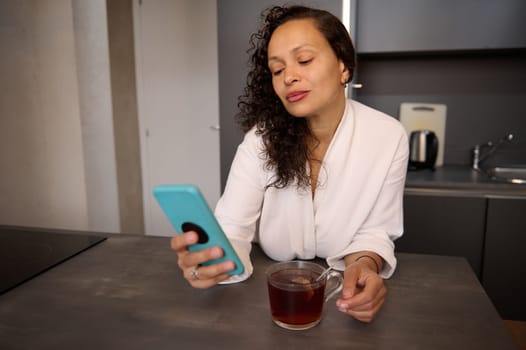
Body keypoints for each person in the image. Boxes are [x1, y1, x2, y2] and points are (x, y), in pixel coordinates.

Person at [171, 5, 408, 323]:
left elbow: (376, 231)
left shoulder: (387, 136)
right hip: (267, 304)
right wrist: (216, 262)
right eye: (277, 70)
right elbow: (233, 226)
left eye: (305, 60)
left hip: (339, 300)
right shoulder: (262, 138)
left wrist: (364, 267)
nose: (289, 77)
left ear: (343, 66)